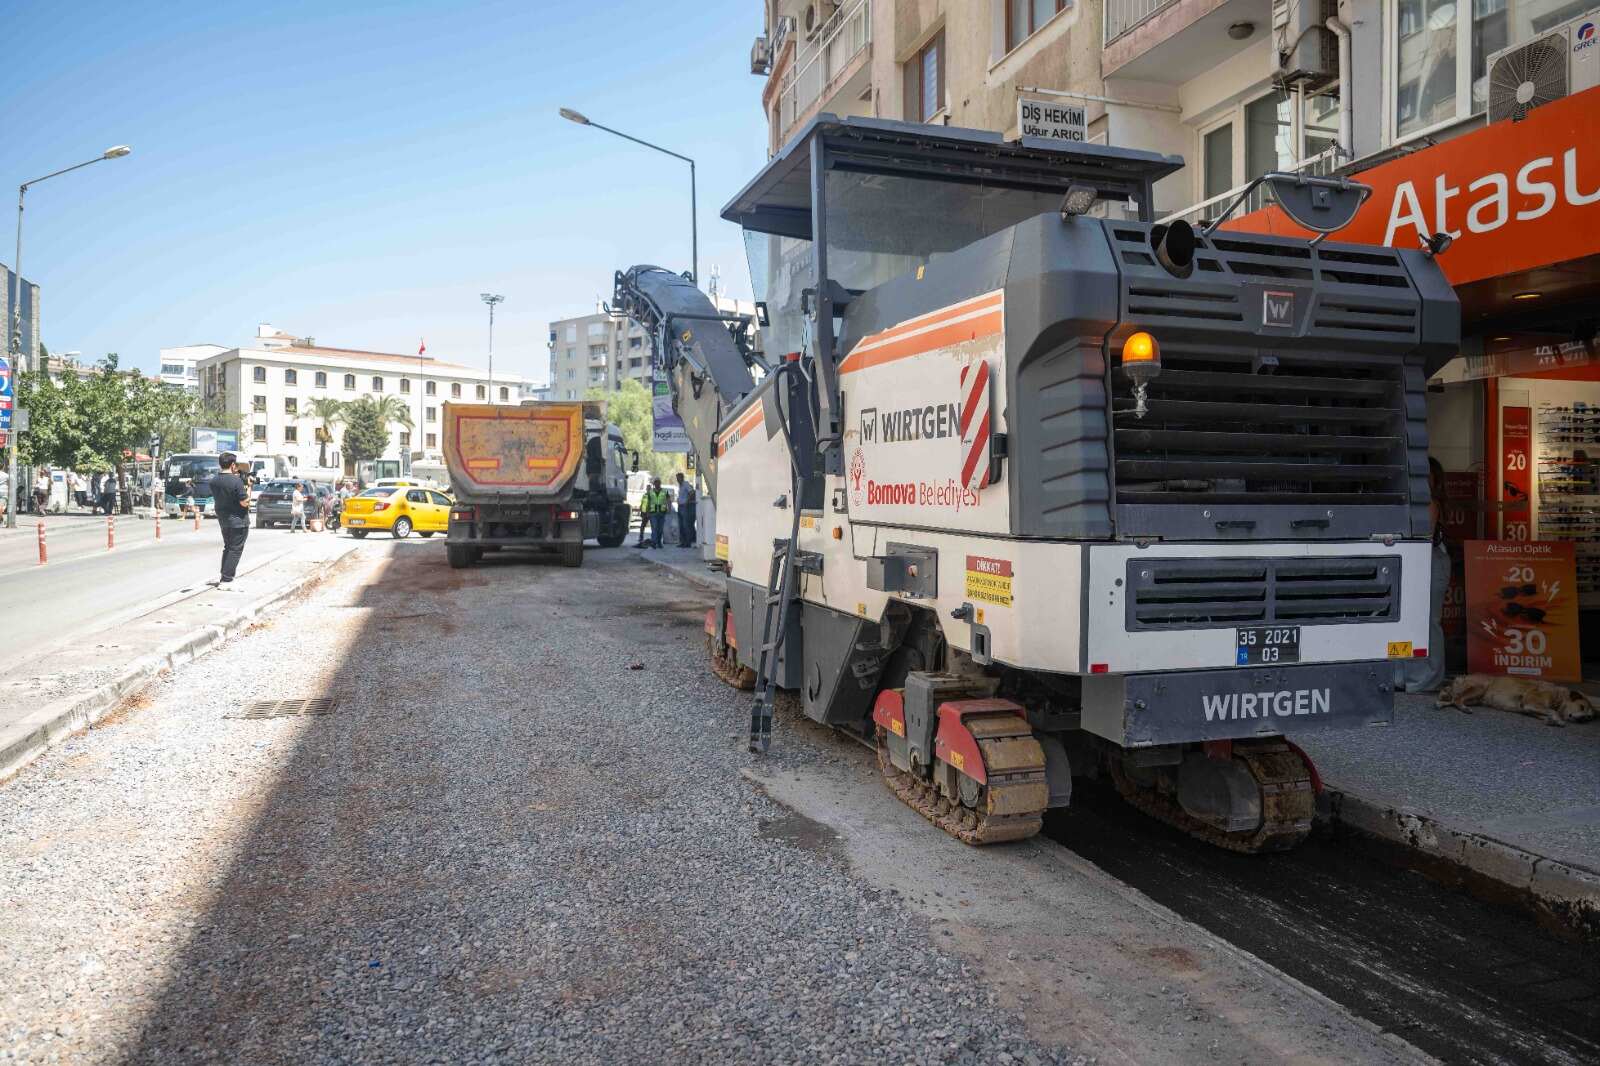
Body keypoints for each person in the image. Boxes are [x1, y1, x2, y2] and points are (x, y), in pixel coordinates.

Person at [209, 453, 251, 588]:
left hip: (223, 520)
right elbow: (245, 502)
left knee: (228, 547)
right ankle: (227, 579)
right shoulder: (236, 481)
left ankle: (224, 576)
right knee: (236, 549)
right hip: (238, 520)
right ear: (233, 465)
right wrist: (249, 487)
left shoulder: (214, 480)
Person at [637, 478, 669, 549]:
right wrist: (647, 512)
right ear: (654, 484)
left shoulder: (664, 491)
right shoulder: (650, 492)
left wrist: (669, 508)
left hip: (662, 513)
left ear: (660, 483)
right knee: (654, 528)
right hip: (653, 513)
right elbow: (648, 503)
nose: (657, 484)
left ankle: (659, 542)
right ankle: (654, 543)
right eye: (655, 482)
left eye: (658, 482)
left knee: (660, 529)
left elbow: (668, 500)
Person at [674, 472, 697, 548]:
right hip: (680, 507)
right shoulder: (680, 486)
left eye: (679, 478)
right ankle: (683, 542)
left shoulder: (685, 484)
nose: (677, 480)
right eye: (677, 478)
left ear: (682, 478)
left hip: (684, 507)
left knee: (685, 525)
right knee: (681, 526)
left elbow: (692, 492)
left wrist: (687, 501)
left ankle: (688, 542)